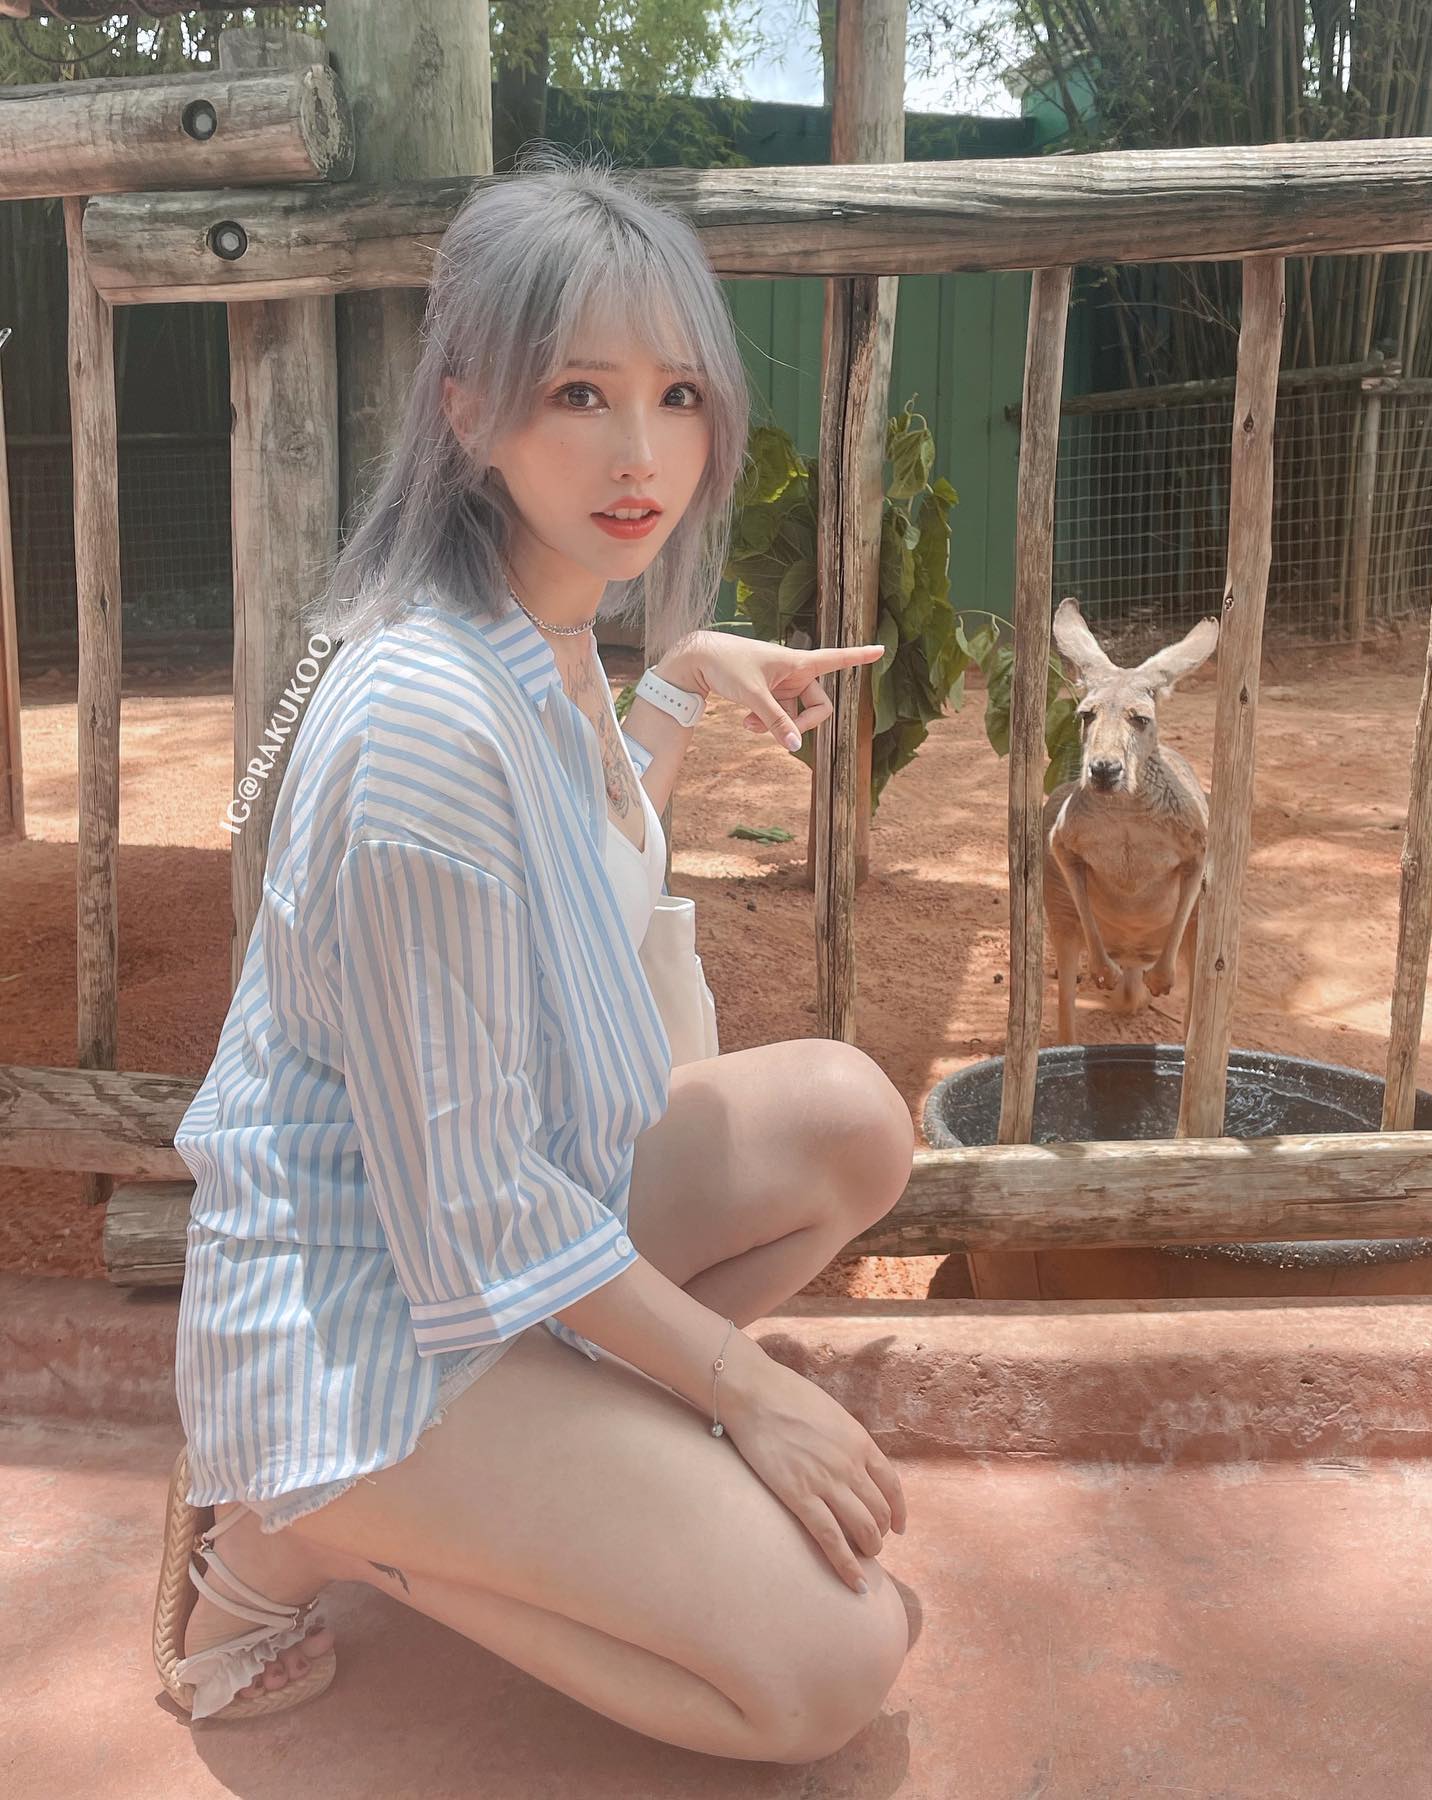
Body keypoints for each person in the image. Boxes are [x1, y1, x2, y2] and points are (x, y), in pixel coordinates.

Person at [152, 146, 917, 1765]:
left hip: (488, 1228)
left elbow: (582, 863)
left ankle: (549, 1450)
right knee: (832, 1666)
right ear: (466, 408)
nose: (642, 453)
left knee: (848, 1119)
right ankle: (301, 1526)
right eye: (579, 393)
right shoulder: (424, 717)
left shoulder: (540, 628)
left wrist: (679, 684)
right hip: (359, 1312)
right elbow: (473, 1205)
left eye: (678, 394)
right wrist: (740, 1388)